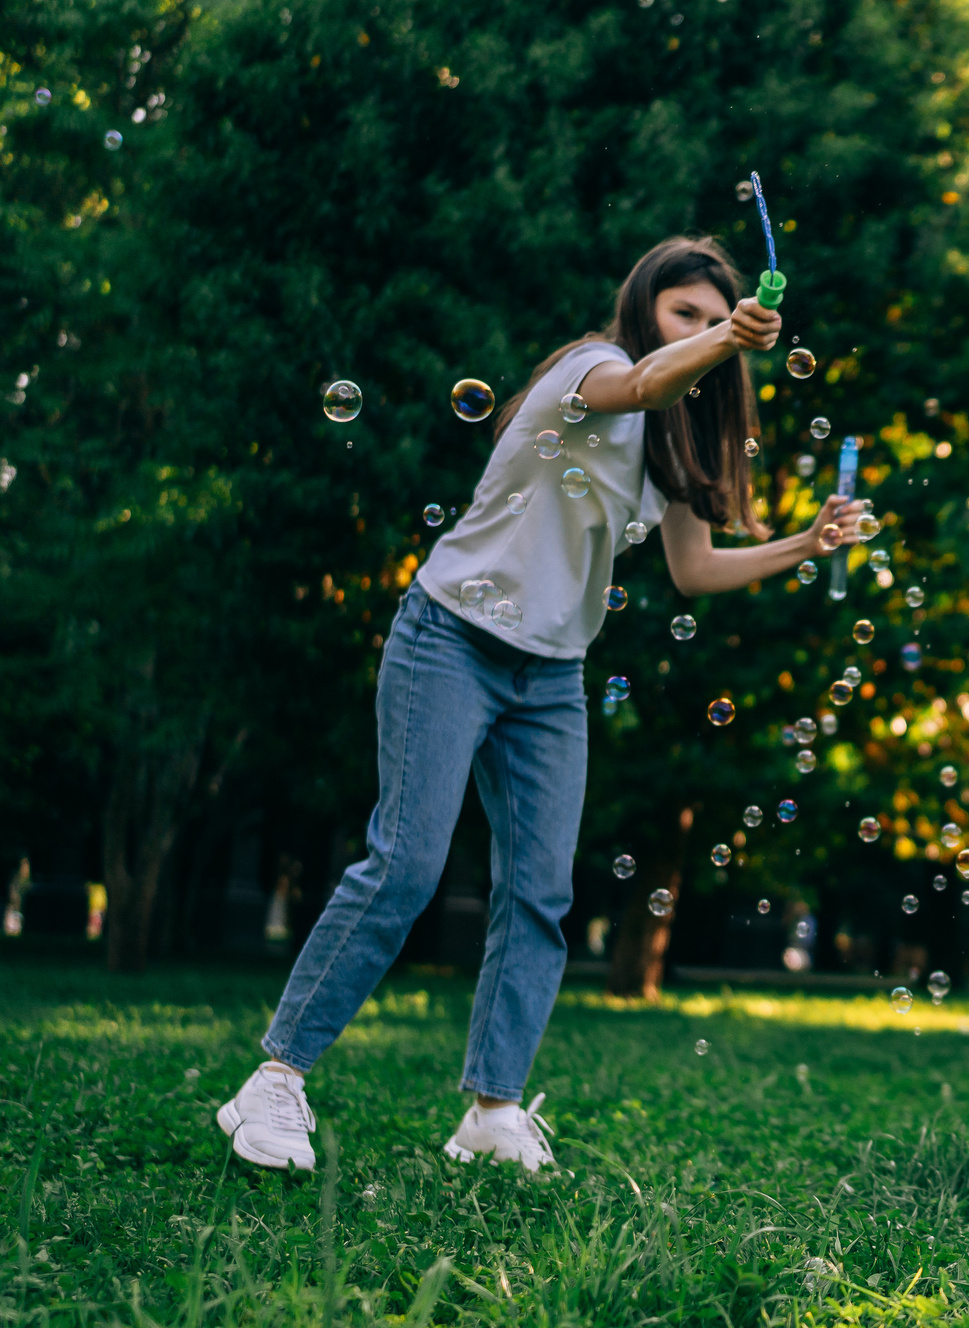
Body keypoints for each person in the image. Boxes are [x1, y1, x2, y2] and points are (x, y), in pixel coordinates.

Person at [219, 236, 856, 1174]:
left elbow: (694, 569)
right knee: (405, 866)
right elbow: (639, 386)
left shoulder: (679, 438)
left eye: (712, 313)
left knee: (540, 894)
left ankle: (492, 1108)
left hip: (551, 676)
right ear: (648, 313)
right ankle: (275, 1081)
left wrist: (806, 542)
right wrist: (727, 337)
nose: (703, 327)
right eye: (685, 312)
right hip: (451, 637)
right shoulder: (592, 367)